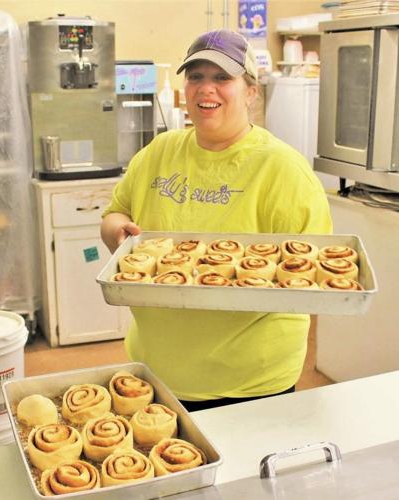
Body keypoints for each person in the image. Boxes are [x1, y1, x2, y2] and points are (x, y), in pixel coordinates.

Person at [100, 29, 332, 411]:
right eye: (196, 77)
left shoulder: (284, 169)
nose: (206, 88)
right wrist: (116, 231)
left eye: (223, 77)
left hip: (247, 380)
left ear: (251, 92)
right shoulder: (159, 152)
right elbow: (116, 213)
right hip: (155, 371)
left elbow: (309, 270)